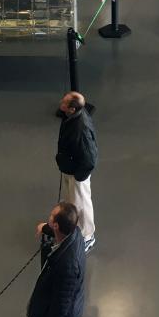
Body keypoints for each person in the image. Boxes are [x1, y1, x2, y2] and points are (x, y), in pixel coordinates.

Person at [23, 202, 86, 317]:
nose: (48, 218)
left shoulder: (67, 265)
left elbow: (62, 305)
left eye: (51, 218)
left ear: (57, 225)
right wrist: (46, 229)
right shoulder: (74, 233)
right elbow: (60, 234)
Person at [55, 91, 97, 250]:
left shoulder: (81, 129)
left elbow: (90, 159)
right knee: (72, 200)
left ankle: (87, 236)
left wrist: (79, 177)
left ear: (72, 109)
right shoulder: (71, 117)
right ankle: (72, 223)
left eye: (64, 103)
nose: (61, 104)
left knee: (81, 203)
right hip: (70, 168)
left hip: (77, 173)